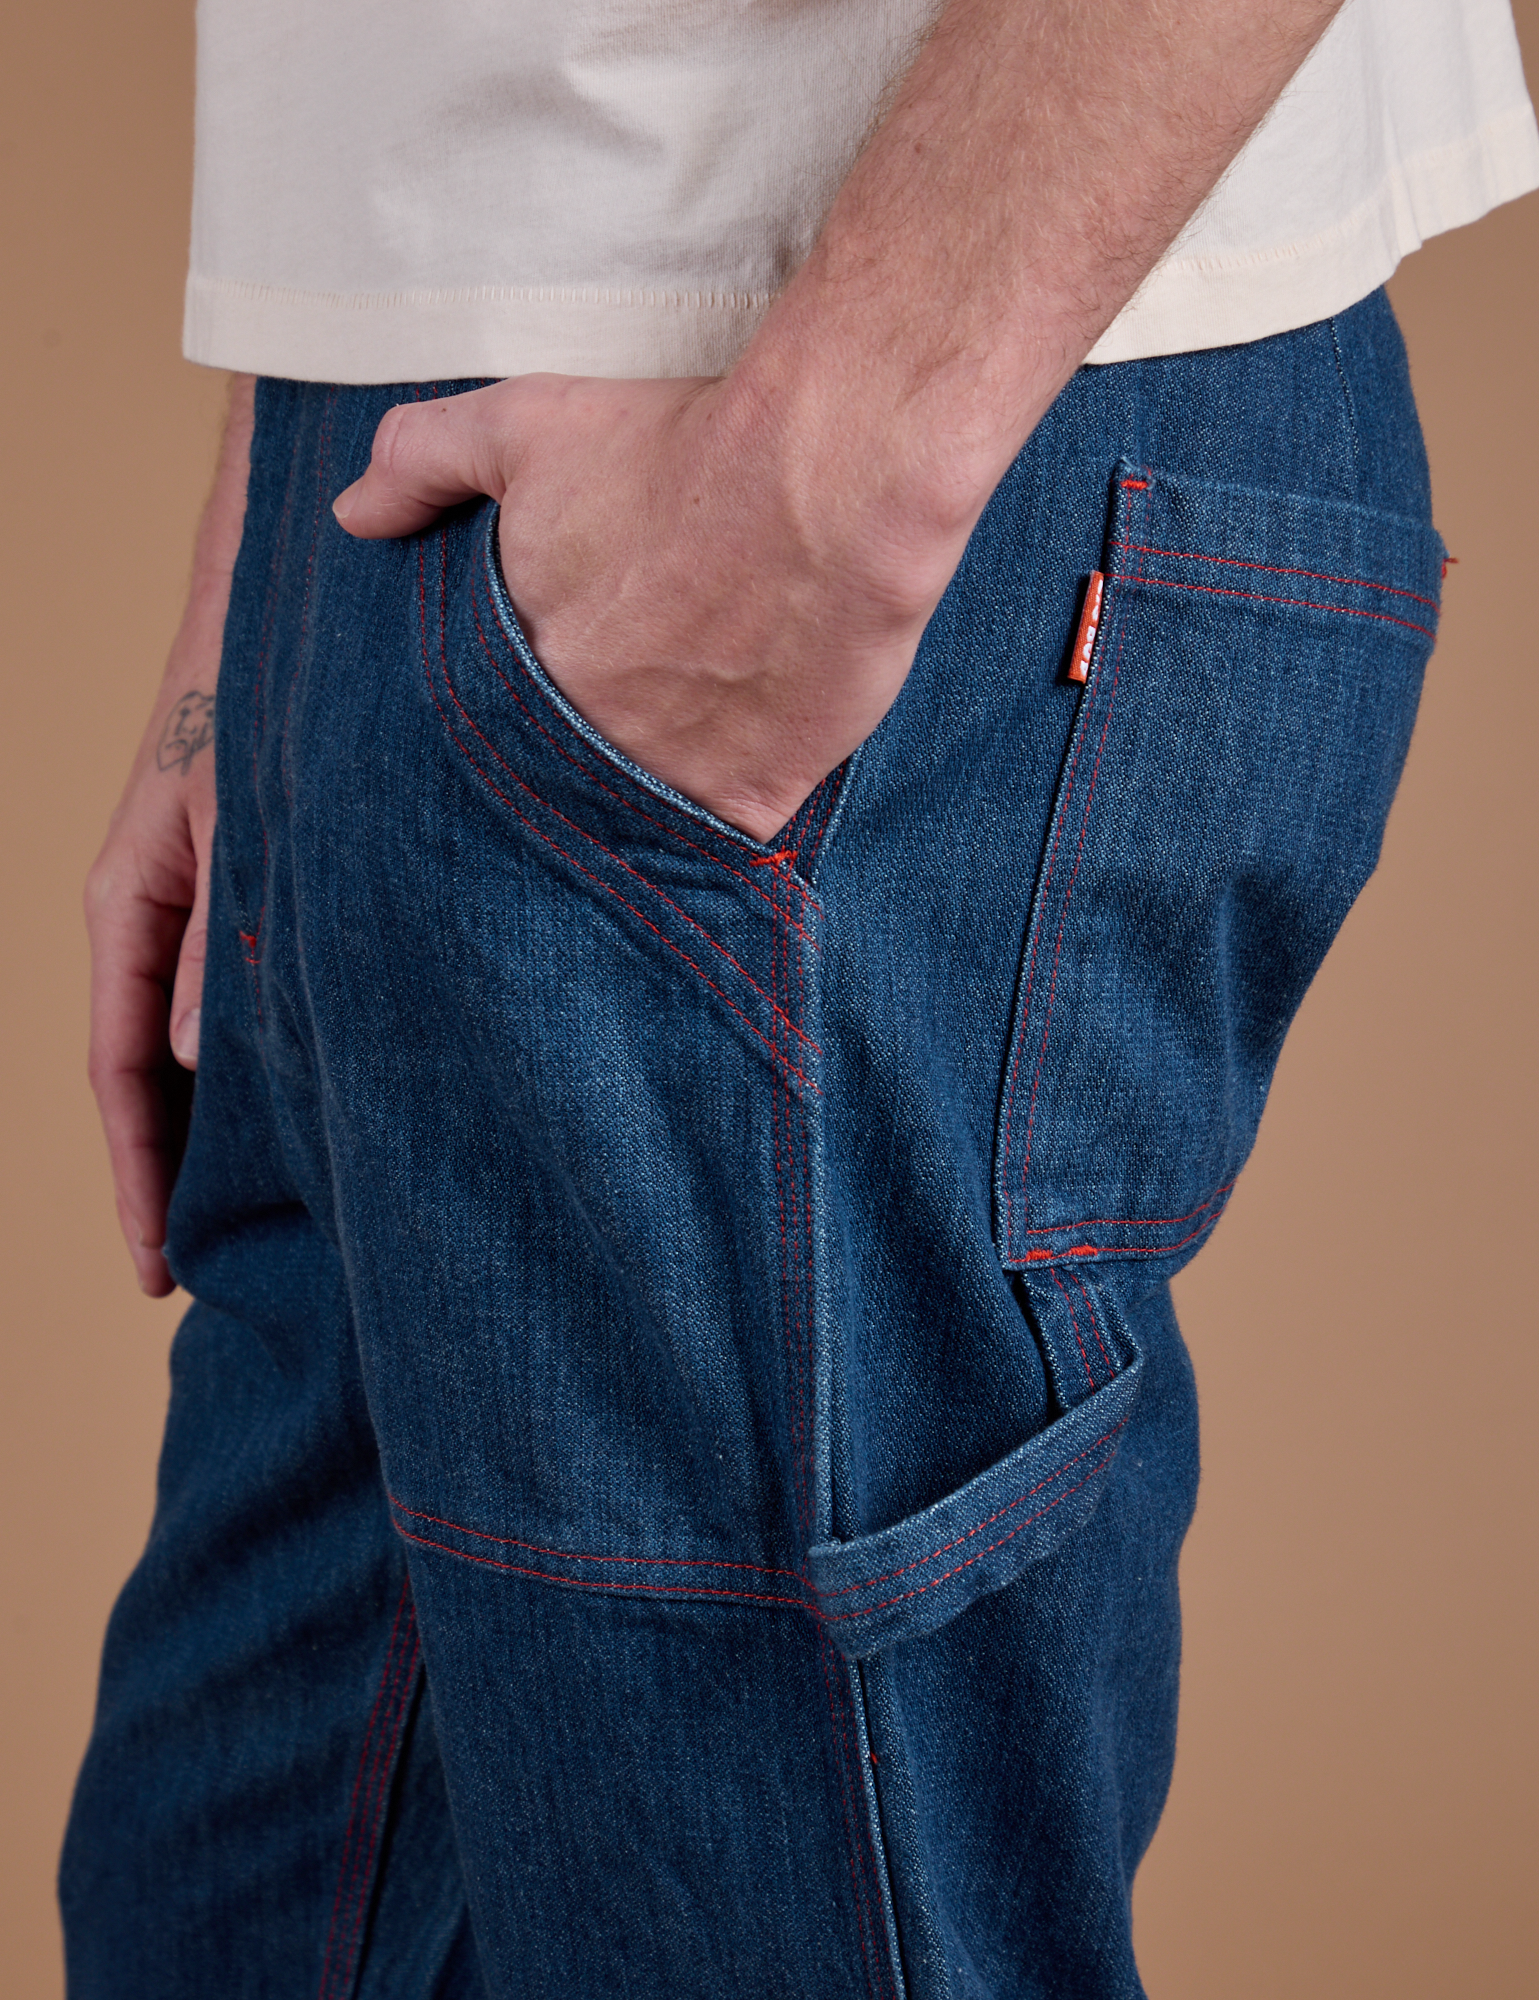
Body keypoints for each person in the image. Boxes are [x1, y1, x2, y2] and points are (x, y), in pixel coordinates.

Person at [63, 2, 1537, 1994]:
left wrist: (856, 437)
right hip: (427, 466)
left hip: (841, 408)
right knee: (224, 1907)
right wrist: (244, 612)